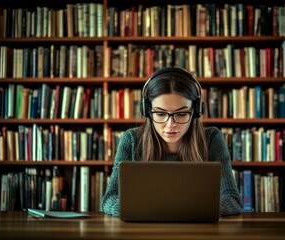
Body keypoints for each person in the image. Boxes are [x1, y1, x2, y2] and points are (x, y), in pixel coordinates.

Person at [101, 66, 243, 216]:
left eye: (181, 113)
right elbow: (109, 199)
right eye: (160, 113)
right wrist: (148, 210)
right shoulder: (131, 140)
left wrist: (188, 210)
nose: (170, 125)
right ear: (147, 110)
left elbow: (233, 200)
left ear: (196, 111)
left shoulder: (212, 140)